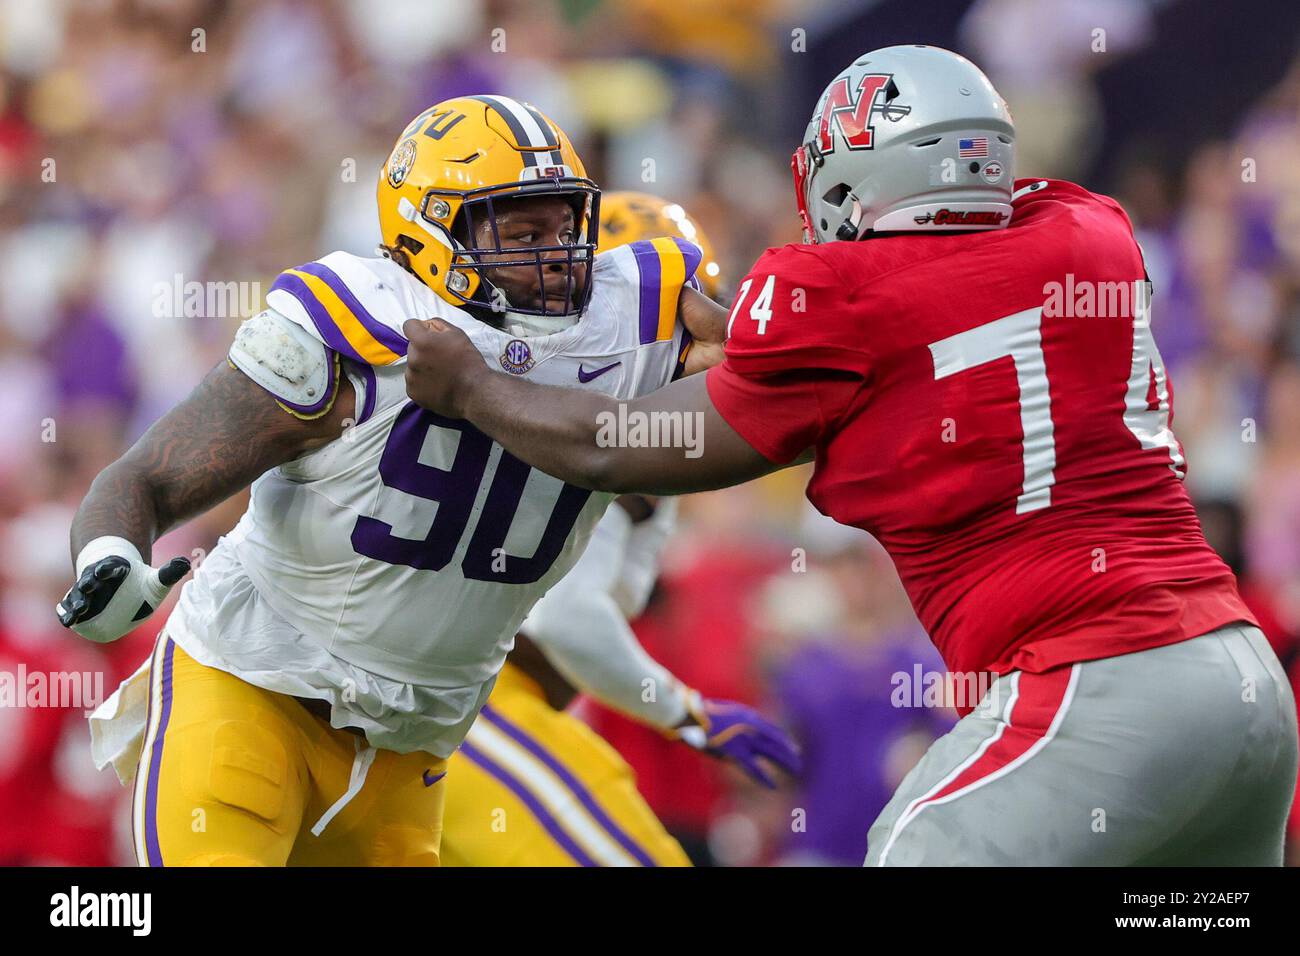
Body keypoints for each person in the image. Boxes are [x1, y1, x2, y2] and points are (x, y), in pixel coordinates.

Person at [401, 48, 1299, 865]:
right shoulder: (1092, 230)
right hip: (1243, 683)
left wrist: (472, 387)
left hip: (1097, 684)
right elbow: (951, 312)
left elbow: (615, 448)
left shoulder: (834, 292)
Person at [57, 95, 794, 866]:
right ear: (432, 233)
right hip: (253, 687)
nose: (556, 255)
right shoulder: (356, 328)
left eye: (564, 226)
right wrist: (107, 552)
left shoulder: (634, 320)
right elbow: (150, 476)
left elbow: (774, 377)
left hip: (412, 749)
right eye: (522, 230)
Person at [440, 192, 797, 867]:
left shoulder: (594, 421)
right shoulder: (589, 428)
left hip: (470, 707)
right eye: (671, 321)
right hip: (462, 706)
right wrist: (687, 714)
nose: (690, 348)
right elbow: (567, 618)